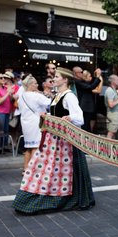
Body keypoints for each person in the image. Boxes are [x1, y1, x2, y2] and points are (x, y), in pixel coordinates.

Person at [12, 67, 95, 214]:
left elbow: (80, 118)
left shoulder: (69, 96)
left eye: (57, 77)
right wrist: (47, 116)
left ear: (65, 80)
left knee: (63, 171)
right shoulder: (58, 95)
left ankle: (68, 197)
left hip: (66, 142)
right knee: (47, 170)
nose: (54, 79)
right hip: (55, 140)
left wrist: (70, 118)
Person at [18, 75, 51, 172]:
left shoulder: (22, 96)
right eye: (36, 83)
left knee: (28, 146)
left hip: (25, 122)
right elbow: (49, 103)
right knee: (35, 146)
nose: (37, 85)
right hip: (35, 122)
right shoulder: (36, 96)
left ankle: (26, 169)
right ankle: (33, 170)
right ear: (30, 85)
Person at [0, 72, 15, 154]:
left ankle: (4, 146)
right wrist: (8, 93)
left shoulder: (5, 88)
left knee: (6, 130)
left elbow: (11, 100)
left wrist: (11, 94)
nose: (3, 79)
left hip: (7, 111)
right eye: (1, 78)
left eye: (4, 78)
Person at [74, 68, 102, 132]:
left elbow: (91, 83)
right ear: (77, 73)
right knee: (85, 126)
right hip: (84, 107)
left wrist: (96, 76)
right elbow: (90, 87)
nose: (83, 72)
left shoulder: (81, 81)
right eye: (81, 72)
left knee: (87, 126)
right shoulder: (77, 81)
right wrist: (97, 77)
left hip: (87, 107)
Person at [104, 74, 118, 139]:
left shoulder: (113, 90)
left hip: (115, 113)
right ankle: (106, 148)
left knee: (113, 132)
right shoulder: (110, 91)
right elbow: (111, 104)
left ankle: (110, 147)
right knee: (111, 132)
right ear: (113, 81)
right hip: (113, 114)